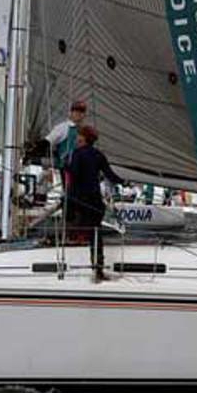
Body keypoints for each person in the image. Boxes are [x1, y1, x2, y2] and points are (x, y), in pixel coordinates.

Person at [66, 125, 124, 281]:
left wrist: (65, 165)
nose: (77, 139)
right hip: (96, 202)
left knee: (72, 225)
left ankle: (63, 249)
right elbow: (110, 175)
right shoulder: (99, 155)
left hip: (81, 200)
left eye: (79, 136)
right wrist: (123, 182)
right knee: (95, 234)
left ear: (84, 138)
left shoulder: (77, 154)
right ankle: (98, 266)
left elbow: (74, 175)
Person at [46, 100, 87, 183]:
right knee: (70, 193)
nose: (78, 114)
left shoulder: (85, 130)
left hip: (83, 168)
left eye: (81, 111)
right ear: (71, 112)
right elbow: (49, 141)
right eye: (76, 111)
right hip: (68, 167)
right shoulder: (63, 127)